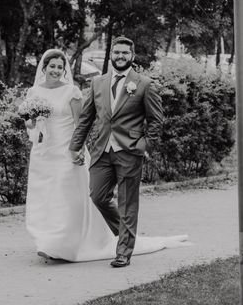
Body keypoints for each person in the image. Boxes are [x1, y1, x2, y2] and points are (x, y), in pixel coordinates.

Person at [25, 48, 187, 263]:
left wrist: (144, 145)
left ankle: (115, 250)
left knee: (76, 199)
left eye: (60, 66)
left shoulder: (73, 91)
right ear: (43, 68)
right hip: (47, 152)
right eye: (52, 66)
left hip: (83, 151)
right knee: (68, 198)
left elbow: (80, 122)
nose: (55, 70)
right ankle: (49, 241)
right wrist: (33, 123)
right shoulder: (37, 92)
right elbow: (41, 124)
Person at [69, 36, 168, 267]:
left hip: (129, 151)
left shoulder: (144, 84)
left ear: (132, 56)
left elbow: (156, 120)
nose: (120, 56)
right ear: (111, 55)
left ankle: (124, 251)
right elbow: (86, 118)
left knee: (127, 203)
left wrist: (145, 146)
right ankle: (126, 233)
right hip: (101, 150)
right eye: (117, 53)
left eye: (125, 53)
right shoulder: (97, 83)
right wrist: (75, 146)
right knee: (98, 196)